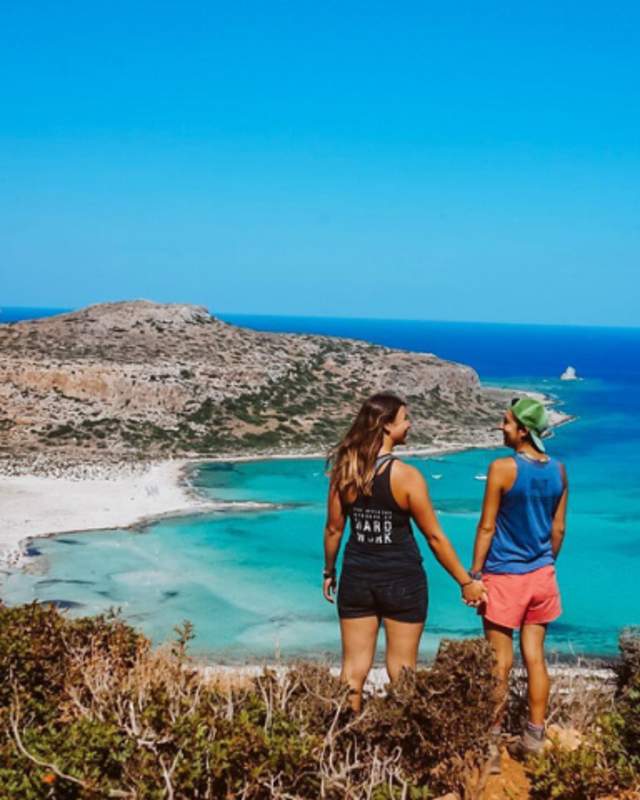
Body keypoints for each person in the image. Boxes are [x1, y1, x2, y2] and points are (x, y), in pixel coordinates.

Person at [322, 392, 486, 712]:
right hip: (403, 581)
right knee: (402, 672)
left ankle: (343, 740)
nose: (409, 425)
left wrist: (329, 571)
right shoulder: (406, 476)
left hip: (357, 578)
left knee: (353, 670)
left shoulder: (345, 471)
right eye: (404, 419)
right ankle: (403, 742)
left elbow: (333, 530)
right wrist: (465, 581)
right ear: (386, 426)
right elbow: (434, 537)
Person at [470, 396, 568, 762]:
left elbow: (486, 526)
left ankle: (493, 743)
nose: (501, 427)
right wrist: (543, 564)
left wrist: (475, 574)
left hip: (504, 576)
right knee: (535, 659)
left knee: (499, 662)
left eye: (507, 422)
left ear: (523, 431)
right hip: (543, 575)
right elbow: (558, 529)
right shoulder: (559, 470)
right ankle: (535, 737)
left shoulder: (502, 468)